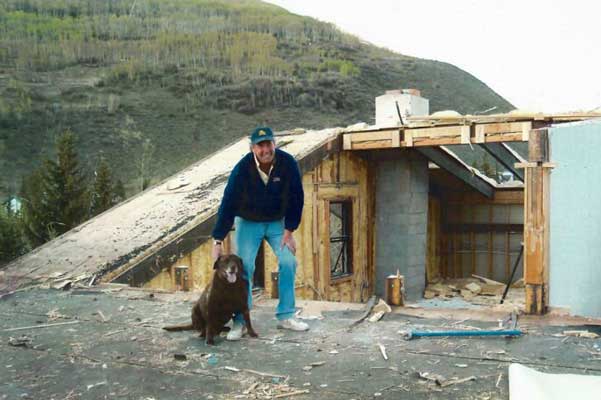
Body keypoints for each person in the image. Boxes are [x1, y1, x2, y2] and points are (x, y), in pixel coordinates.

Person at [211, 126, 309, 340]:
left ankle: (286, 316)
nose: (265, 149)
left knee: (288, 262)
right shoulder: (242, 169)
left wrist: (289, 229)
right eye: (260, 145)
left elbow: (297, 197)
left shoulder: (287, 163)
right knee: (243, 266)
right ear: (252, 148)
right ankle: (240, 321)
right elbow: (228, 204)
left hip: (276, 223)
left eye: (268, 144)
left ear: (275, 144)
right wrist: (218, 239)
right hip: (248, 222)